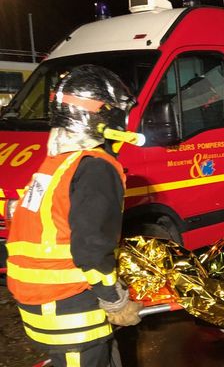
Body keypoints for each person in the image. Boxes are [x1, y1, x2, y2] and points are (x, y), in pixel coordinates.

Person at [6, 65, 142, 366]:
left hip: (41, 303)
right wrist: (115, 300)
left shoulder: (55, 164)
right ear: (102, 115)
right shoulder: (96, 167)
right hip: (70, 311)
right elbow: (92, 248)